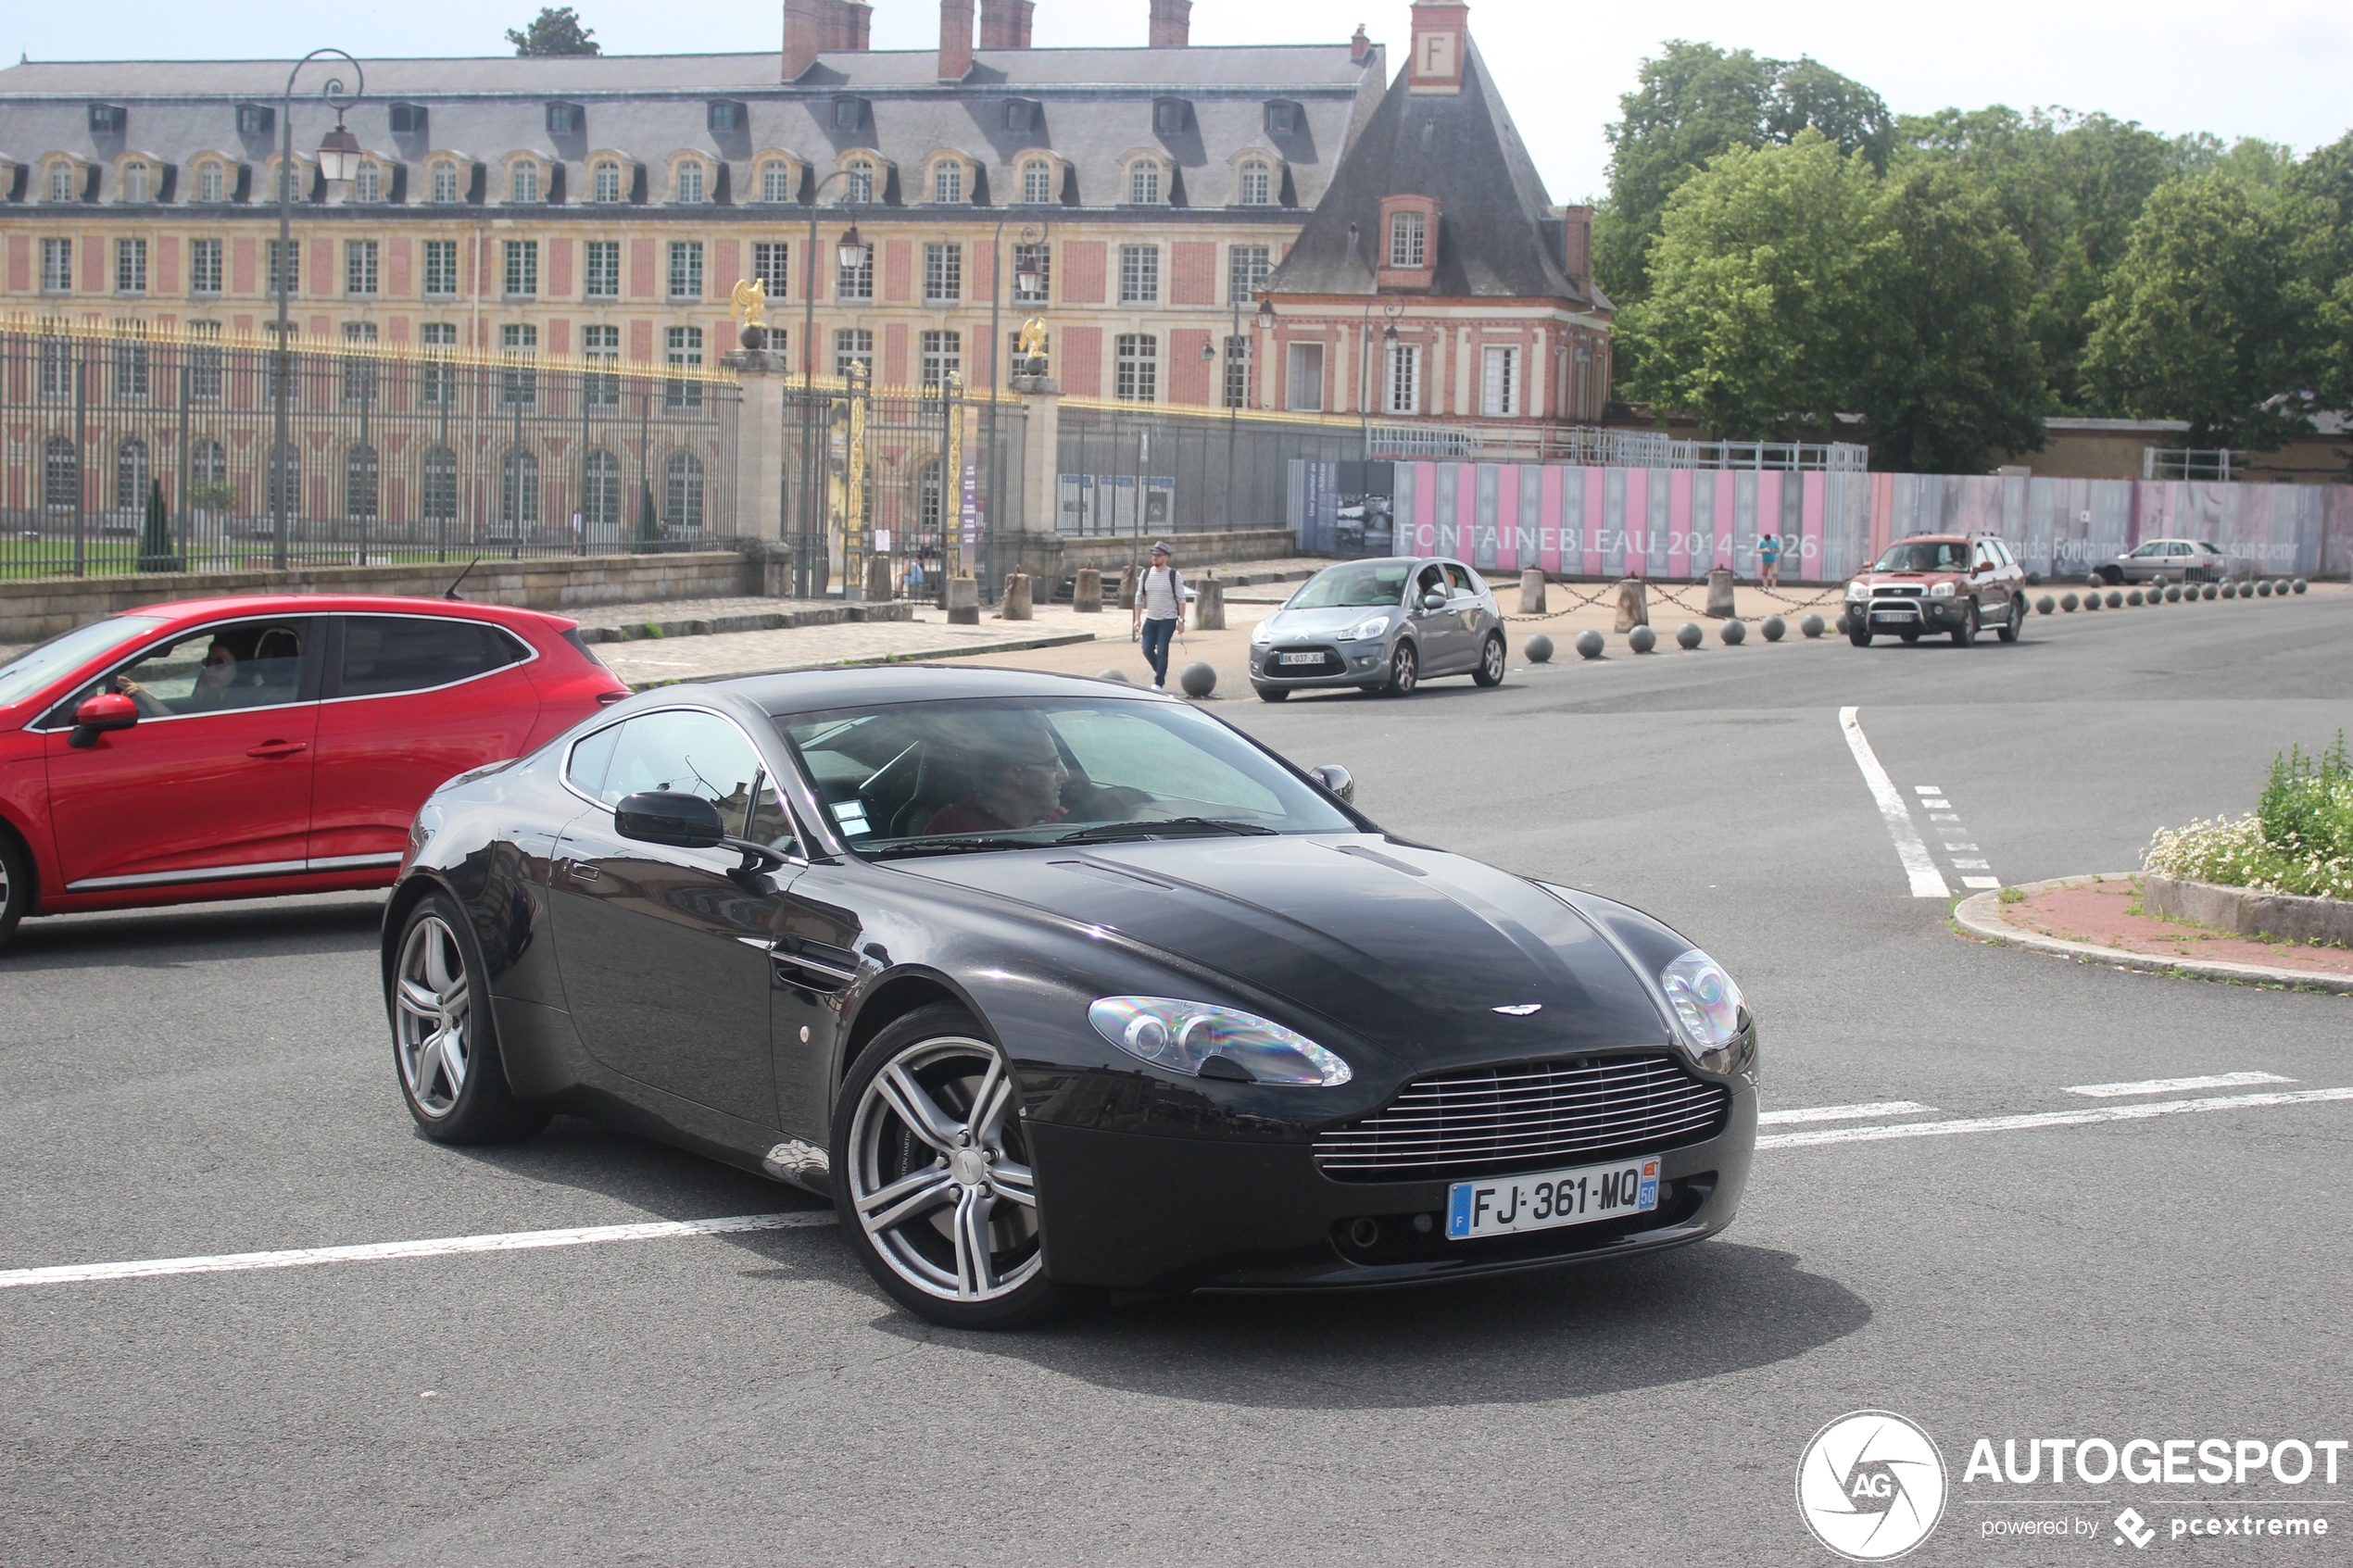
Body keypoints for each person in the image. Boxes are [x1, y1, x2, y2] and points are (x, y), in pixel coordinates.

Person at [922, 727, 1071, 835]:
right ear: (1015, 774)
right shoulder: (954, 829)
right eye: (1053, 765)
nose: (1065, 774)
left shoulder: (1061, 817)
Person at [1132, 540, 1185, 690]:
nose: (1155, 558)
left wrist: (1181, 621)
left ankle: (1158, 683)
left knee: (1162, 650)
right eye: (1153, 555)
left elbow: (1181, 599)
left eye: (1158, 555)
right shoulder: (1146, 573)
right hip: (1151, 618)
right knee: (1147, 649)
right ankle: (1161, 670)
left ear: (1166, 557)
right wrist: (1137, 619)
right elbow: (1139, 596)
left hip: (1167, 620)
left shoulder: (1174, 575)